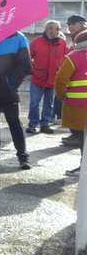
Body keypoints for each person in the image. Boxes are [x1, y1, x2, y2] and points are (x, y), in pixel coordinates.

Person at [0, 31, 32, 169]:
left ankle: (23, 156)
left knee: (14, 123)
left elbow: (25, 64)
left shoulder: (17, 37)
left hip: (8, 90)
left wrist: (11, 84)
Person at [55, 30, 87, 176]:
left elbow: (61, 80)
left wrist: (62, 97)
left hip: (78, 106)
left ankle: (83, 168)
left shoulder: (73, 57)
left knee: (83, 139)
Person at [27, 20, 67, 135]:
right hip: (38, 78)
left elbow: (66, 59)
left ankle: (45, 124)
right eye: (57, 29)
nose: (59, 31)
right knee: (35, 102)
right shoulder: (36, 41)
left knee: (49, 103)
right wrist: (31, 70)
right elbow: (28, 57)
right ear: (49, 29)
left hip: (53, 79)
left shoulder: (62, 43)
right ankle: (33, 124)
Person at [59, 14, 87, 146]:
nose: (70, 27)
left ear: (82, 24)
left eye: (74, 24)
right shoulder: (74, 38)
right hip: (72, 77)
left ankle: (78, 137)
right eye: (69, 24)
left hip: (77, 86)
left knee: (77, 115)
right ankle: (76, 135)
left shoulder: (82, 38)